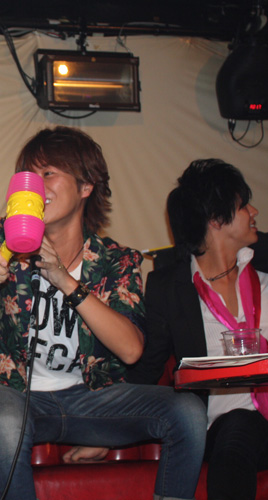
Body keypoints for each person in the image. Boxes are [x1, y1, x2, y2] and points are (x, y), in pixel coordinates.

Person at [0, 126, 207, 500]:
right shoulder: (7, 236)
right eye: (28, 177)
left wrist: (65, 280)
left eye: (48, 173)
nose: (36, 187)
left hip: (90, 398)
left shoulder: (116, 260)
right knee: (6, 419)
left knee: (188, 412)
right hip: (16, 394)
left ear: (86, 186)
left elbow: (131, 349)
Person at [127, 159, 268, 500]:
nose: (254, 212)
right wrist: (104, 434)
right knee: (239, 427)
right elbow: (147, 368)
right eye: (243, 205)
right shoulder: (169, 288)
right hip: (225, 429)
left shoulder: (265, 266)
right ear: (216, 219)